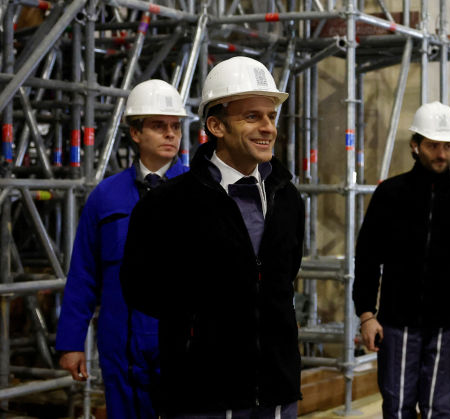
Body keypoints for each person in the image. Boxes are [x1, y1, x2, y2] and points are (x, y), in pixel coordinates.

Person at [121, 57, 305, 418]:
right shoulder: (168, 202)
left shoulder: (288, 197)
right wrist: (203, 324)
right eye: (252, 116)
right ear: (216, 125)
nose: (268, 127)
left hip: (276, 390)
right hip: (202, 393)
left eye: (270, 116)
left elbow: (284, 278)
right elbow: (139, 286)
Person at [56, 79, 189, 419]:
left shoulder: (200, 192)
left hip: (185, 340)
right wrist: (72, 342)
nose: (171, 134)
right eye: (159, 126)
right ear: (135, 133)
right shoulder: (106, 196)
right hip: (121, 341)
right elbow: (84, 272)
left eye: (175, 126)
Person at [352, 101, 450, 418]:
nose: (441, 154)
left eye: (447, 146)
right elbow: (367, 257)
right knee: (397, 406)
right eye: (432, 145)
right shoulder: (390, 195)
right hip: (398, 323)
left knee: (440, 409)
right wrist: (366, 313)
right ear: (415, 145)